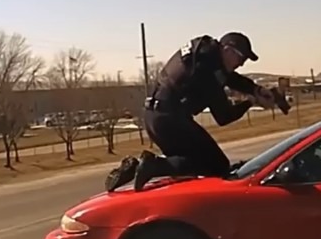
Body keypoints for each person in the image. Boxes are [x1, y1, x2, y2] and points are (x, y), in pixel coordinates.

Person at [104, 32, 292, 192]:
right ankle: (153, 166)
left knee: (187, 162)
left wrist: (255, 89)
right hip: (170, 120)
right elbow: (223, 116)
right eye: (241, 58)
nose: (241, 64)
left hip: (156, 115)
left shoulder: (206, 55)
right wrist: (251, 102)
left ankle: (138, 165)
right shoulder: (206, 69)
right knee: (216, 165)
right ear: (227, 50)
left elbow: (228, 77)